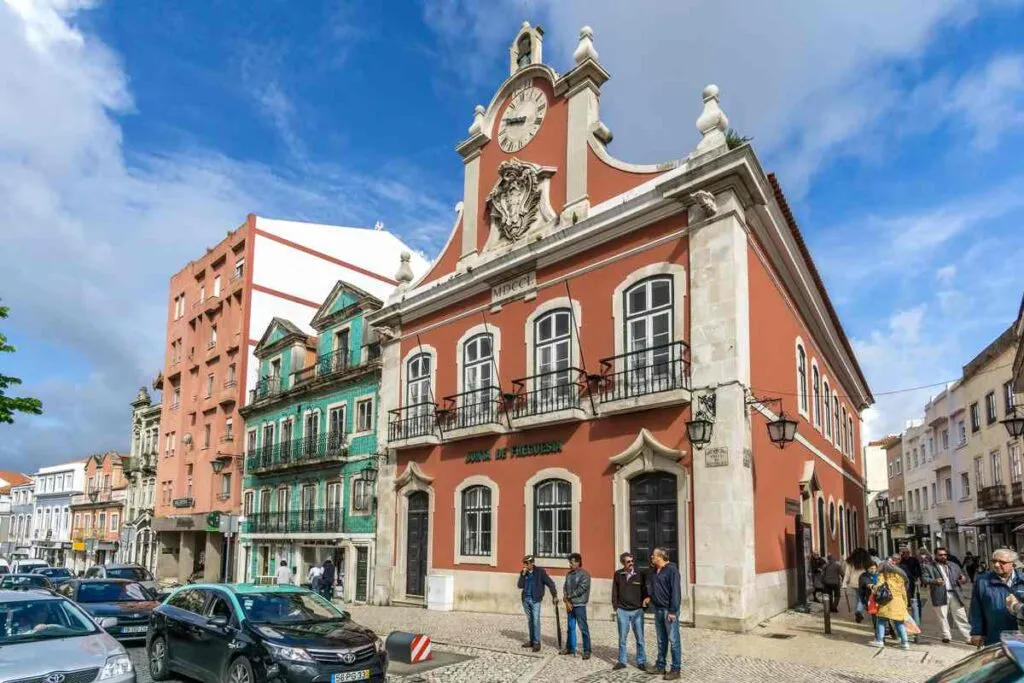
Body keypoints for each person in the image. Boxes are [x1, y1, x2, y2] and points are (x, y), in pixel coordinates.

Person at [969, 548, 1024, 646]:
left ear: (1013, 564)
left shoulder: (1022, 580)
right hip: (995, 635)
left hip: (1021, 634)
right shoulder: (982, 582)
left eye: (1002, 562)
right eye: (994, 561)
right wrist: (977, 632)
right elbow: (976, 609)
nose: (996, 565)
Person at [922, 546, 970, 643]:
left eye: (945, 555)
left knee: (961, 615)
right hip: (939, 593)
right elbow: (925, 579)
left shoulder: (953, 565)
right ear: (935, 555)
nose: (943, 557)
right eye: (940, 555)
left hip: (955, 593)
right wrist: (934, 581)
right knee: (942, 616)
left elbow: (963, 576)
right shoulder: (929, 567)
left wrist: (963, 579)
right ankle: (946, 636)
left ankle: (968, 637)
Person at [611, 552, 648, 672]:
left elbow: (645, 591)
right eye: (628, 562)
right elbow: (614, 591)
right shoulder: (618, 574)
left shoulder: (640, 574)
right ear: (623, 563)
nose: (631, 563)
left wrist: (644, 607)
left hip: (637, 611)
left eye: (632, 561)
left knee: (640, 638)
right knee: (622, 638)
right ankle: (622, 661)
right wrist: (615, 606)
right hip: (622, 611)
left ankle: (641, 661)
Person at [649, 548, 681, 680]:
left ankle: (675, 669)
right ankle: (660, 665)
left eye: (654, 556)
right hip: (658, 609)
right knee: (661, 639)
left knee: (673, 640)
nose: (651, 557)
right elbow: (657, 588)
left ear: (660, 557)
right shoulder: (655, 571)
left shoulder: (672, 570)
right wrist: (650, 598)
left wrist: (673, 610)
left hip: (669, 610)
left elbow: (675, 591)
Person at [517, 555, 557, 652]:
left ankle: (537, 643)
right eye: (524, 563)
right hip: (526, 599)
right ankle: (531, 641)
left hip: (535, 600)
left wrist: (554, 595)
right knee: (530, 621)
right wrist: (523, 575)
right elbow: (520, 585)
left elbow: (550, 583)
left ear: (532, 563)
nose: (525, 565)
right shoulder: (524, 573)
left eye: (527, 563)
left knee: (535, 621)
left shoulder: (540, 572)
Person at [869, 560, 911, 650]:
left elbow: (878, 588)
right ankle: (905, 642)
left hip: (886, 602)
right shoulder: (899, 577)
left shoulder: (882, 576)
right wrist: (905, 603)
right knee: (899, 623)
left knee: (881, 621)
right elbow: (904, 592)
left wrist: (871, 586)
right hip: (899, 602)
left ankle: (880, 640)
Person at [561, 553, 592, 659]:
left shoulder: (585, 574)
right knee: (570, 627)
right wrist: (565, 597)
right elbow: (565, 586)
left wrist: (570, 596)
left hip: (580, 604)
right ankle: (569, 647)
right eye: (569, 562)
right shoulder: (569, 574)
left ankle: (587, 650)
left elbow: (582, 588)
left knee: (583, 628)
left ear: (578, 562)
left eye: (572, 562)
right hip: (570, 604)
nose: (570, 564)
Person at [844, 548, 873, 622]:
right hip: (864, 581)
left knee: (858, 598)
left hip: (854, 583)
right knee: (863, 598)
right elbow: (871, 571)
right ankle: (859, 611)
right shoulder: (867, 561)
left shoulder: (850, 562)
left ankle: (860, 614)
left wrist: (844, 584)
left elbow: (847, 574)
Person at [859, 560, 880, 634]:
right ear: (867, 568)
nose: (873, 570)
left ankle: (891, 631)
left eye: (874, 568)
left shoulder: (880, 575)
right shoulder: (863, 576)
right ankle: (877, 632)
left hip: (882, 599)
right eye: (871, 568)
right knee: (874, 616)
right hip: (871, 599)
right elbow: (862, 589)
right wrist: (863, 602)